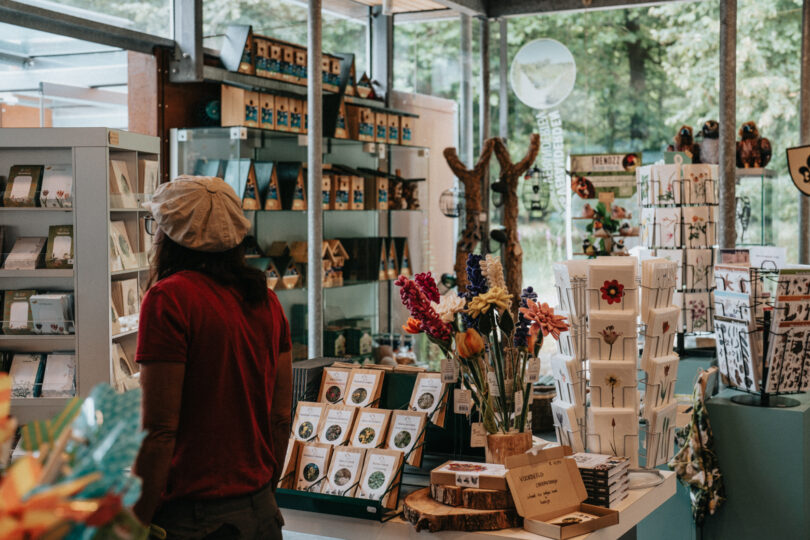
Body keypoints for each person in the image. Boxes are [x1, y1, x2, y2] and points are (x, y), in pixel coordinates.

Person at [133, 176, 292, 539]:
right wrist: (264, 492)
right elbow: (280, 417)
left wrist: (133, 522)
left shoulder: (169, 299)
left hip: (193, 520)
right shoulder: (266, 300)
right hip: (261, 515)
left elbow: (159, 431)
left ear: (170, 236)